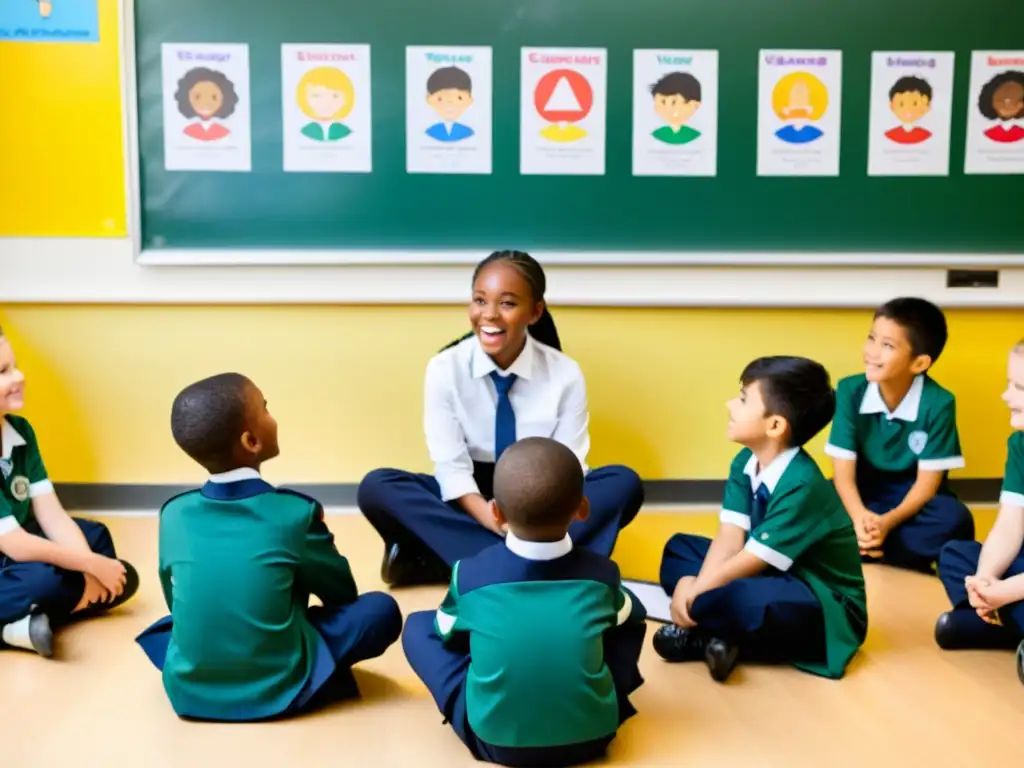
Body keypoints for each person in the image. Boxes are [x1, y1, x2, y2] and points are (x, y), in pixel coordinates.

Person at [357, 250, 644, 587]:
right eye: (480, 300)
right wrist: (496, 523)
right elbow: (451, 468)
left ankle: (478, 565)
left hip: (541, 488)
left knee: (624, 483)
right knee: (378, 487)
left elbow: (571, 466)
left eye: (507, 303)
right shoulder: (444, 369)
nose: (489, 315)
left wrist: (533, 517)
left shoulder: (565, 373)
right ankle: (551, 565)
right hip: (473, 493)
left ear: (535, 312)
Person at [135, 373, 402, 721]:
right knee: (380, 610)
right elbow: (341, 594)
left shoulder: (173, 514)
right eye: (265, 408)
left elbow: (174, 601)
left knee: (186, 620)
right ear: (251, 440)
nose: (272, 416)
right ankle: (300, 675)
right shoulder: (293, 514)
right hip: (279, 688)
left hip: (189, 691)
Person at [402, 436, 646, 766]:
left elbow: (445, 631)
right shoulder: (603, 575)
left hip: (493, 741)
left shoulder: (470, 574)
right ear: (583, 509)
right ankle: (601, 694)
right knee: (627, 616)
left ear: (495, 512)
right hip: (595, 738)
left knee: (418, 626)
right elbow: (634, 615)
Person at [654, 356, 867, 682]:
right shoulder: (745, 461)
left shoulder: (802, 483)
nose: (730, 405)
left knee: (745, 598)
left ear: (775, 425)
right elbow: (730, 537)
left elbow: (751, 560)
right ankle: (720, 634)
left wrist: (694, 594)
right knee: (680, 549)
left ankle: (707, 634)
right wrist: (693, 586)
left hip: (820, 598)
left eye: (742, 399)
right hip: (768, 569)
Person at [0, 323, 138, 657]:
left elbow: (52, 515)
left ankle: (27, 621)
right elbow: (14, 544)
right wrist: (92, 570)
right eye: (4, 372)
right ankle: (16, 624)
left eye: (15, 366)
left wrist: (89, 563)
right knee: (46, 581)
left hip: (16, 549)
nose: (18, 377)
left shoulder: (19, 431)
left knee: (101, 544)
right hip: (11, 548)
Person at [825, 297, 974, 573]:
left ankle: (865, 547)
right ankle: (873, 546)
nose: (872, 352)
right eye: (871, 338)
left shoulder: (939, 402)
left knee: (955, 519)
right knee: (811, 502)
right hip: (861, 493)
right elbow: (843, 476)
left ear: (919, 363)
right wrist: (860, 517)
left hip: (910, 503)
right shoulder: (849, 390)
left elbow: (927, 487)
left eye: (888, 345)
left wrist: (886, 523)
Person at [935, 339, 1024, 685]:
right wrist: (987, 581)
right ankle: (1001, 622)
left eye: (1019, 387)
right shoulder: (1019, 443)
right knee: (957, 554)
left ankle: (994, 622)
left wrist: (1007, 592)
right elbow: (1010, 525)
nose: (1006, 395)